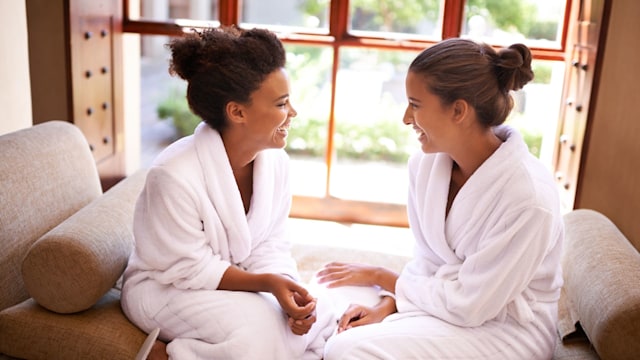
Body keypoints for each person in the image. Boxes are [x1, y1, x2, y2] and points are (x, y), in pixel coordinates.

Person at [316, 38, 564, 359]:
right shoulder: (425, 165)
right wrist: (388, 303)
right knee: (330, 302)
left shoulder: (529, 198)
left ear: (458, 110)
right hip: (445, 304)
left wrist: (384, 278)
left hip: (502, 328)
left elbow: (471, 306)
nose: (406, 118)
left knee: (346, 349)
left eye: (415, 104)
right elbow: (428, 262)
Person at [121, 26, 335, 360]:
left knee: (320, 314)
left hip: (237, 280)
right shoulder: (174, 175)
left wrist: (285, 287)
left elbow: (271, 243)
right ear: (237, 112)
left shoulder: (276, 163)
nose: (292, 112)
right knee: (260, 333)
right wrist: (267, 285)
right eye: (281, 103)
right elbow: (188, 268)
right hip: (166, 288)